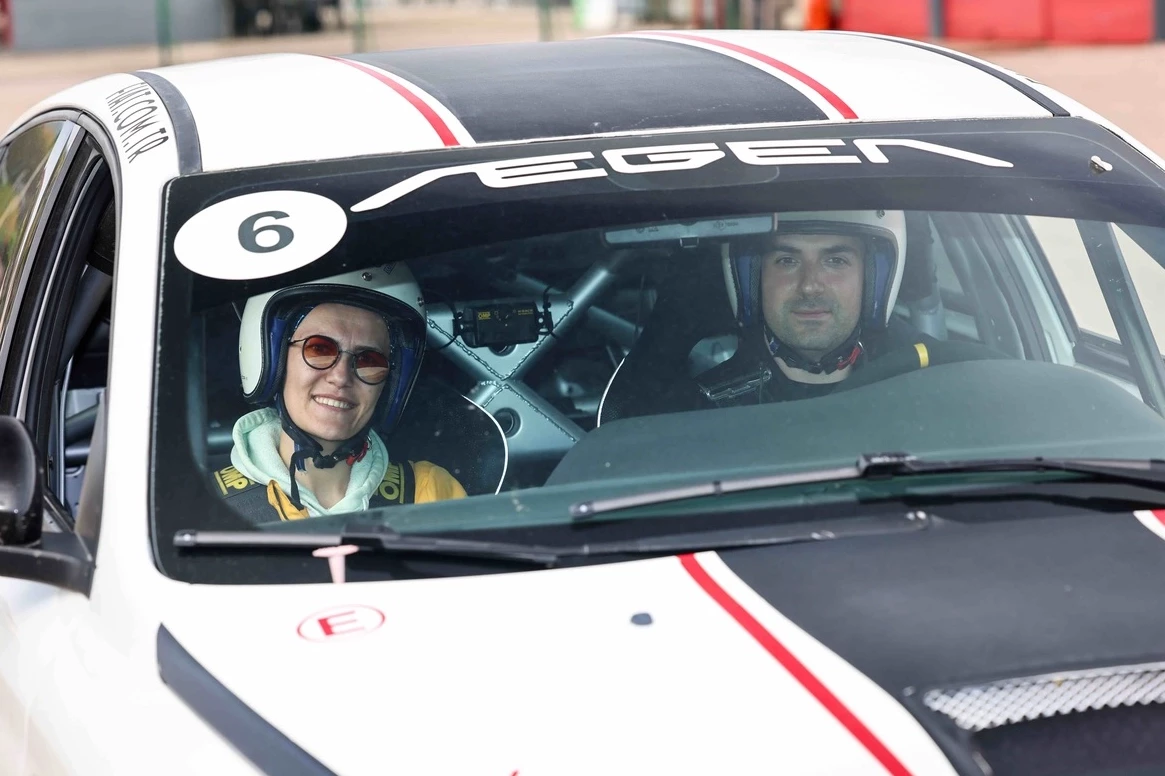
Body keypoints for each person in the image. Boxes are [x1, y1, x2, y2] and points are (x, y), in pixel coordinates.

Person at [212, 263, 466, 523]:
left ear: (389, 384)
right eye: (319, 349)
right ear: (274, 361)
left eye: (369, 360)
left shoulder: (430, 496)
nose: (341, 377)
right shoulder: (205, 506)